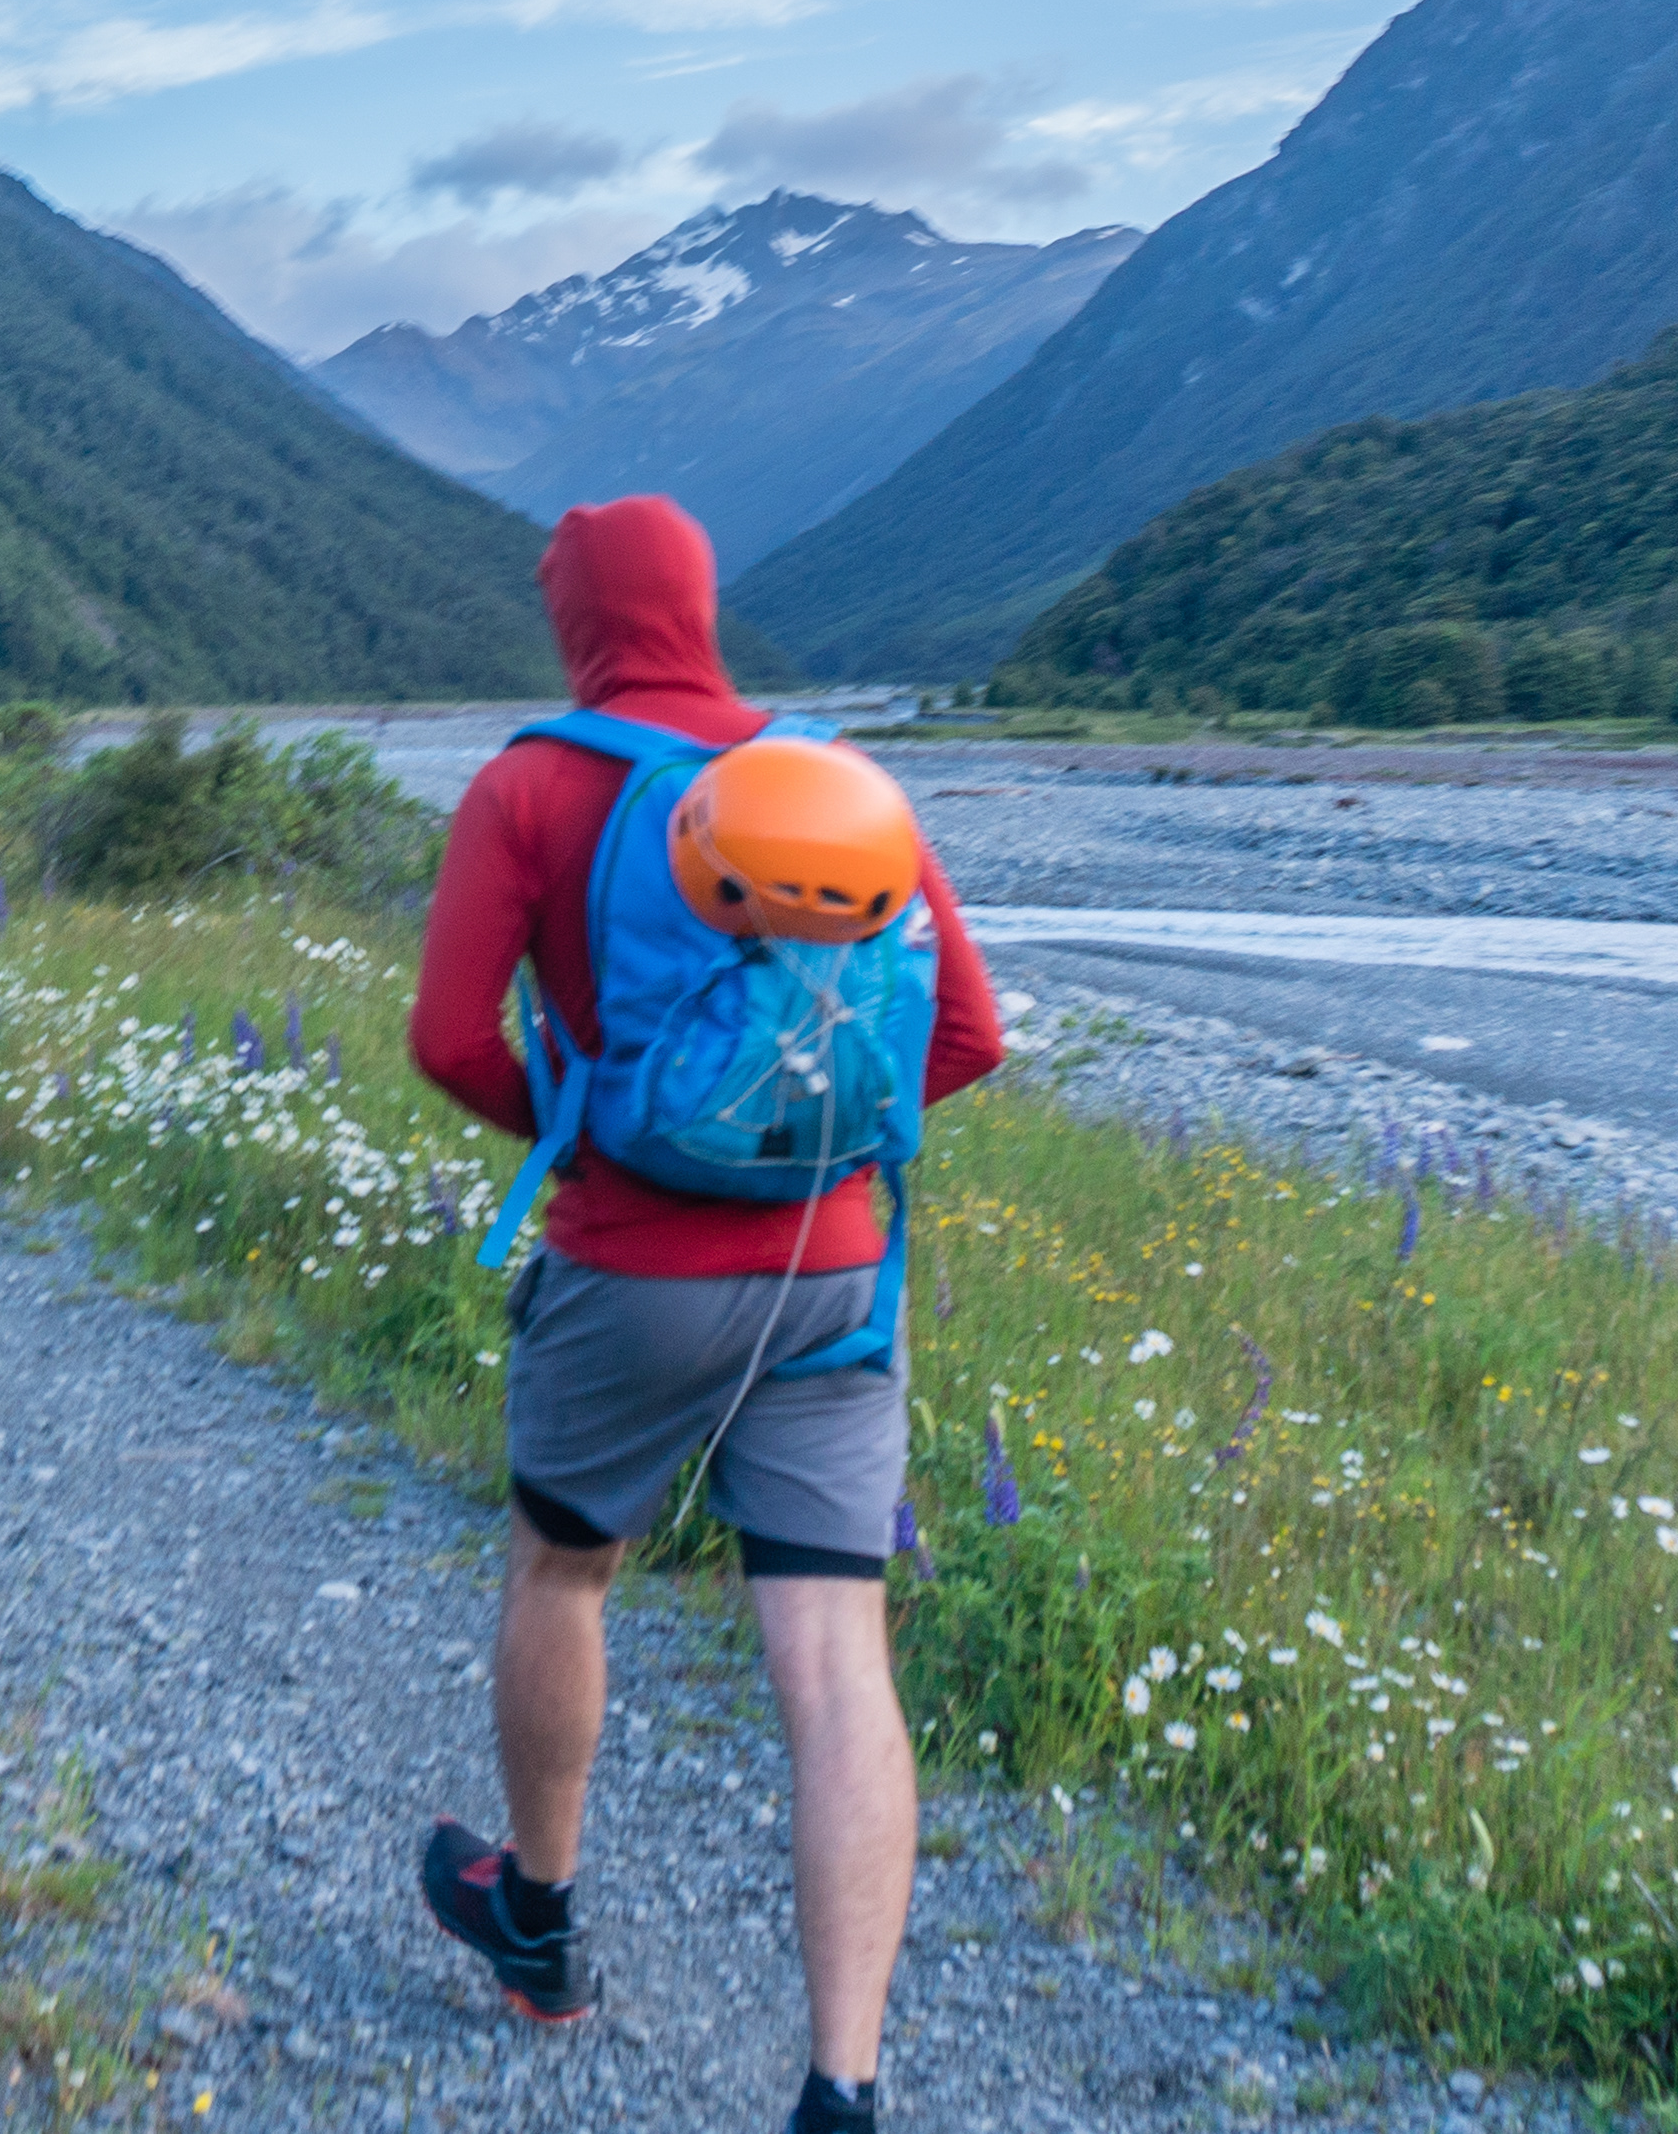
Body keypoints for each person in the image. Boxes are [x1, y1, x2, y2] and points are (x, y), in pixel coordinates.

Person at [407, 494, 1002, 2134]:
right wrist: (815, 1155)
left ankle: (538, 1923)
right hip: (835, 1275)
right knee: (836, 1657)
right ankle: (842, 2084)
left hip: (629, 1273)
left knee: (563, 1568)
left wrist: (588, 1131)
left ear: (575, 618)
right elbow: (964, 1034)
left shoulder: (532, 783)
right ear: (702, 601)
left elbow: (449, 1037)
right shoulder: (836, 782)